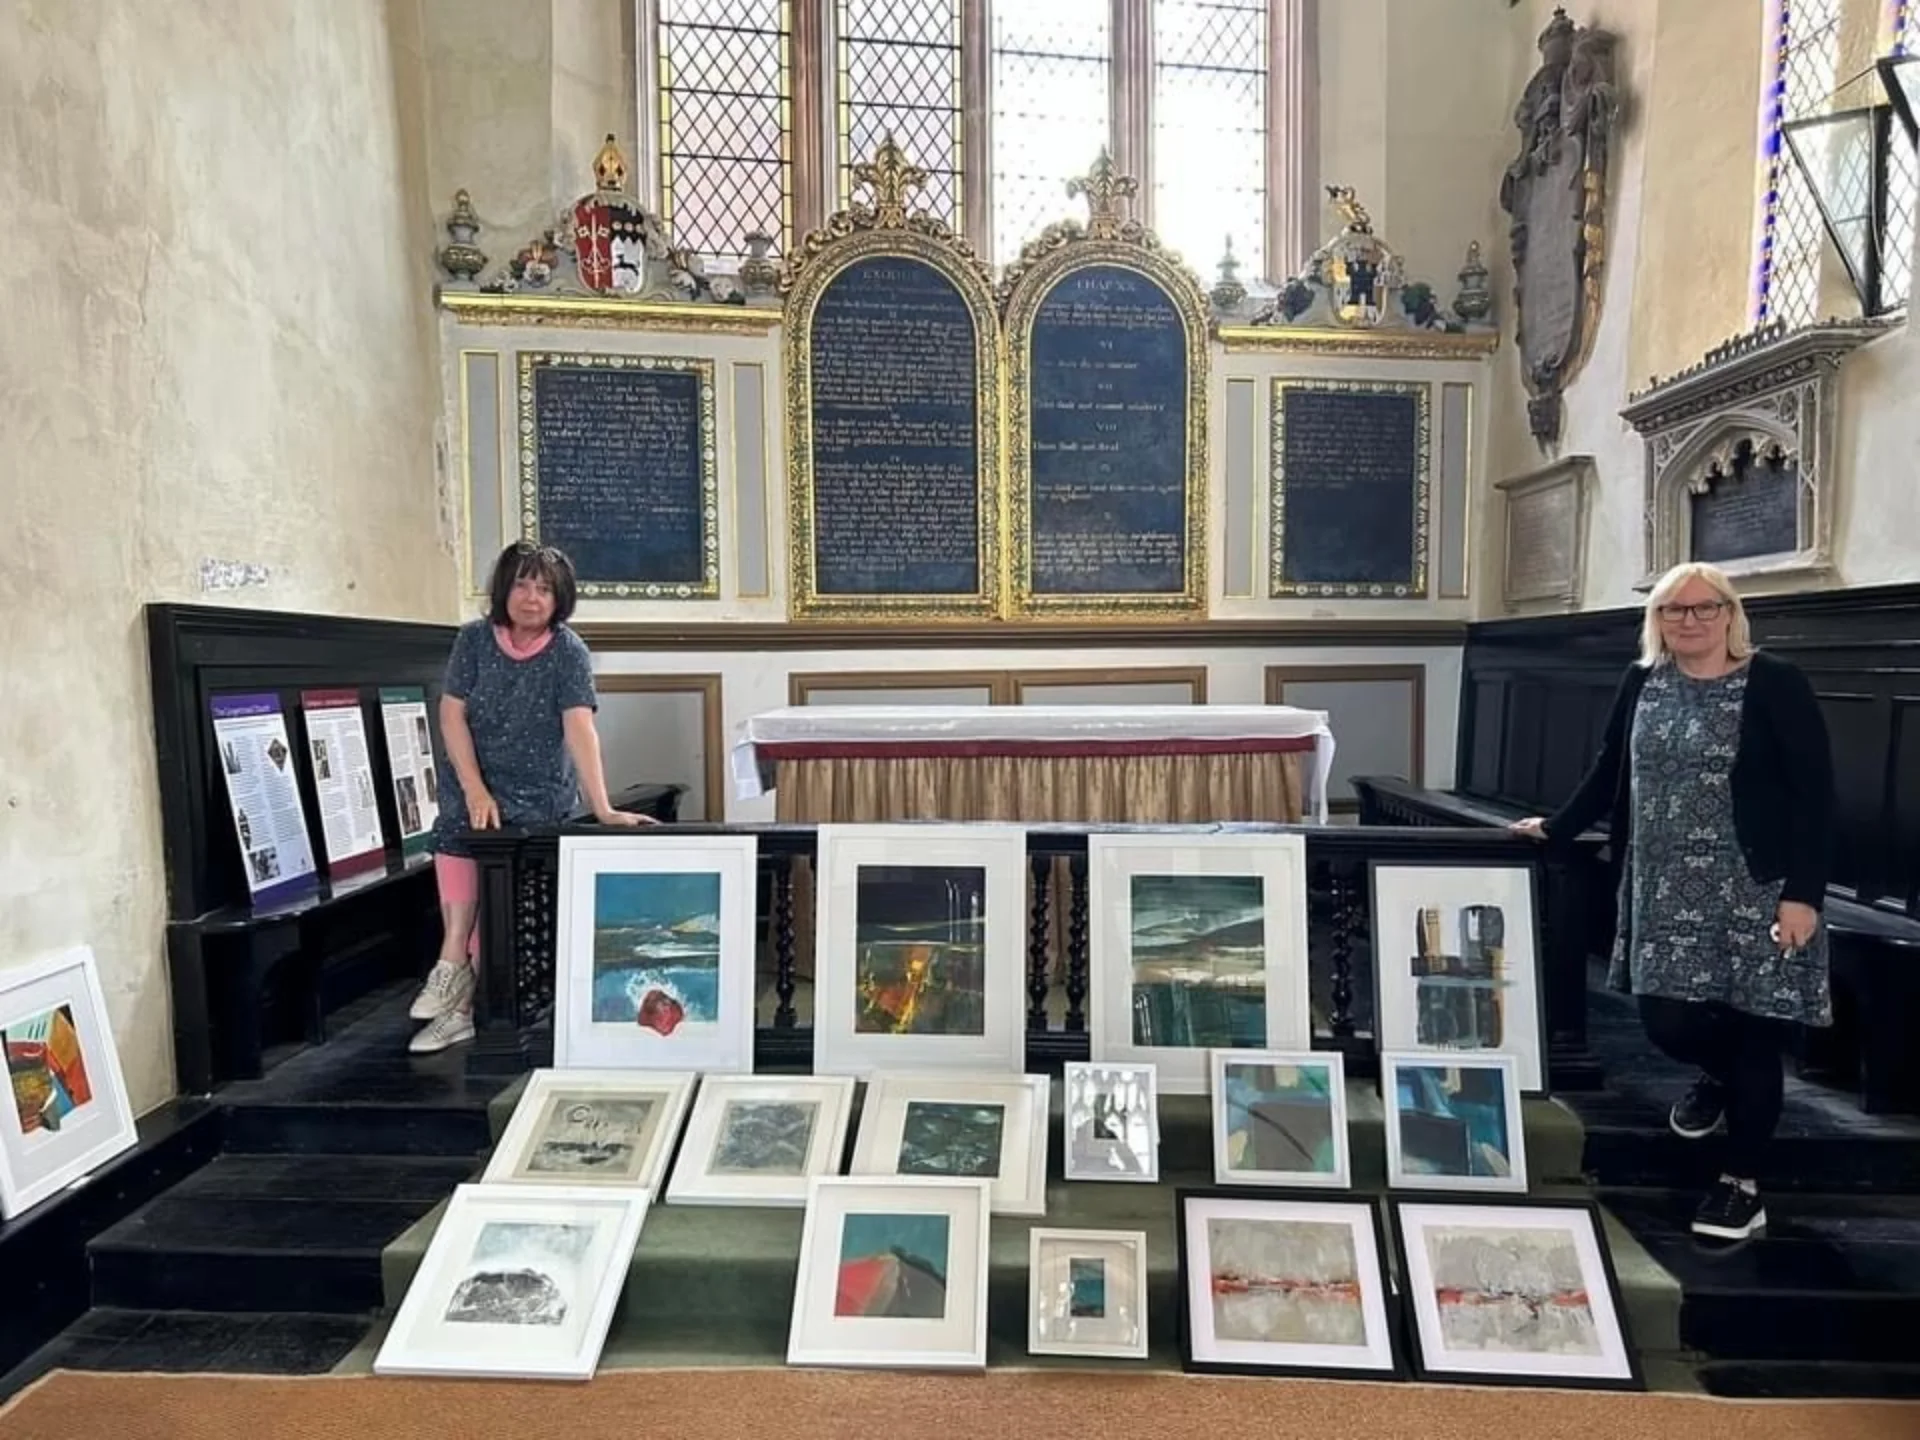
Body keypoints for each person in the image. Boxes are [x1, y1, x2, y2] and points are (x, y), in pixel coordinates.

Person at [1511, 561, 1833, 1242]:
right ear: (1656, 621)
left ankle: (1740, 1187)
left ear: (1730, 613)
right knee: (1668, 1025)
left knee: (1753, 1031)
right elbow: (1609, 770)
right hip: (1659, 887)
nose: (1688, 620)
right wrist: (1556, 826)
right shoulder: (1642, 680)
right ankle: (1720, 1079)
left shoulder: (1773, 682)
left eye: (1702, 608)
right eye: (1672, 610)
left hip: (1755, 889)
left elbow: (1815, 795)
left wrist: (1803, 895)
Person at [408, 540, 652, 1054]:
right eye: (522, 583)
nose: (532, 597)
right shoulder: (474, 640)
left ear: (559, 598)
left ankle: (459, 997)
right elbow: (452, 715)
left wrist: (603, 807)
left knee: (496, 886)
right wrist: (474, 787)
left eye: (544, 588)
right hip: (473, 782)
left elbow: (579, 728)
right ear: (505, 588)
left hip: (536, 791)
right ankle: (453, 971)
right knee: (458, 848)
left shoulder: (568, 651)